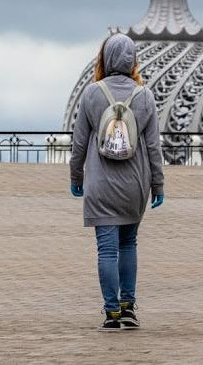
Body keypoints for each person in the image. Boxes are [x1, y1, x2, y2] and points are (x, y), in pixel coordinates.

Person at [70, 33, 164, 331]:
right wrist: (158, 185)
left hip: (101, 183)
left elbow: (79, 145)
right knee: (129, 244)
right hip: (135, 184)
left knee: (107, 250)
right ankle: (128, 308)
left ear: (104, 58)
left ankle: (111, 313)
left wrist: (76, 177)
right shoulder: (144, 95)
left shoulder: (91, 94)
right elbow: (153, 148)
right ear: (132, 59)